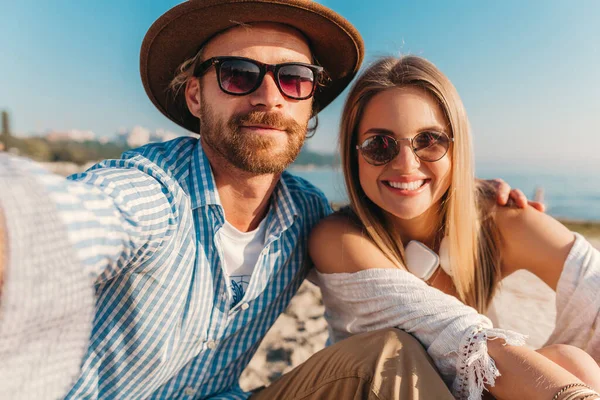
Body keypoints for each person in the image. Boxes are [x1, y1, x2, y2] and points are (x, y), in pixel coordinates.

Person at [0, 2, 539, 399]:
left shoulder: (302, 214)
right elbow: (71, 219)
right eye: (238, 75)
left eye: (294, 79)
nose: (269, 96)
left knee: (390, 357)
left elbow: (384, 248)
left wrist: (464, 197)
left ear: (310, 106)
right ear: (195, 94)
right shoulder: (153, 192)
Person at [309, 55, 600, 400]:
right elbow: (461, 335)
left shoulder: (495, 220)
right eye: (379, 145)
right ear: (353, 153)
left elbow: (592, 286)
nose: (405, 164)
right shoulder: (339, 239)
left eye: (429, 141)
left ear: (455, 148)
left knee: (574, 364)